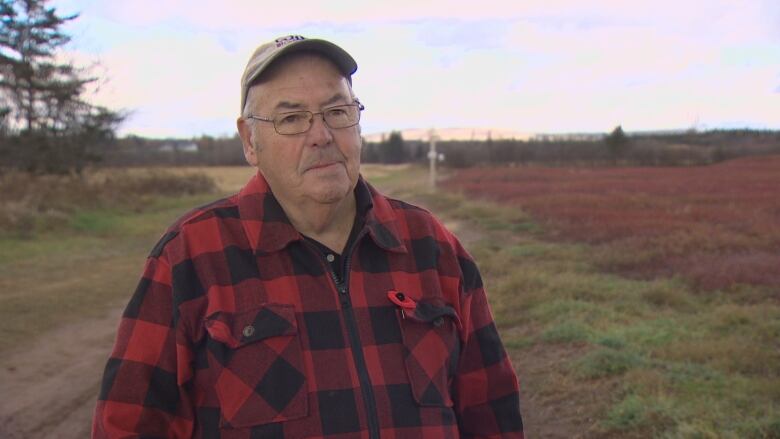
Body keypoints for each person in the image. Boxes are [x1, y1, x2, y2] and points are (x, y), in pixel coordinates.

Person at [92, 34, 524, 439]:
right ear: (250, 141)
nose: (321, 136)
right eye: (292, 118)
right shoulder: (191, 258)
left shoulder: (431, 247)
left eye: (337, 112)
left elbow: (494, 413)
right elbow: (129, 426)